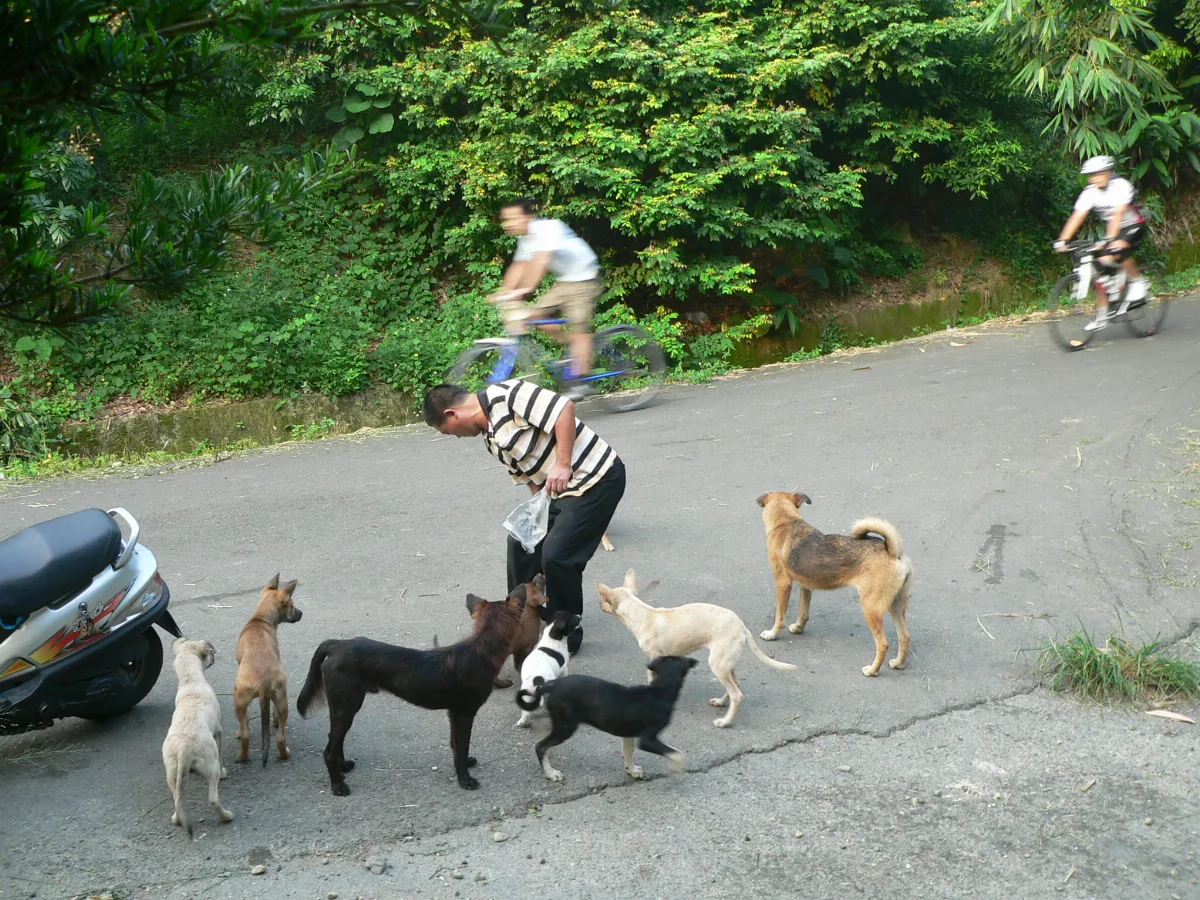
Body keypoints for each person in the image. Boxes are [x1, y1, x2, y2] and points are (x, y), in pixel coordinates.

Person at [421, 379, 625, 654]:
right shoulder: (491, 438)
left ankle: (564, 631)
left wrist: (563, 464)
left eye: (449, 432)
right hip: (558, 492)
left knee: (557, 555)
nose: (455, 437)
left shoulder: (507, 395)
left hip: (597, 478)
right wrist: (538, 519)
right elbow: (531, 475)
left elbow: (564, 409)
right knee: (520, 544)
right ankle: (519, 620)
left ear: (452, 414)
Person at [491, 198, 604, 399]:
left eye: (513, 219)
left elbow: (541, 261)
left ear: (529, 217)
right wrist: (504, 291)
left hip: (585, 279)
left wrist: (524, 289)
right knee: (535, 317)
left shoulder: (548, 229)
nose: (508, 224)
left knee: (579, 327)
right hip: (565, 282)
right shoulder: (525, 239)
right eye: (506, 220)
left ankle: (581, 381)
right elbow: (518, 267)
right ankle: (578, 348)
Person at [1055, 155, 1149, 332]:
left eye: (1098, 174)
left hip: (1133, 225)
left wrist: (1109, 239)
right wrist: (1063, 240)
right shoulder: (1089, 192)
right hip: (1113, 229)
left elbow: (1118, 215)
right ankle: (1102, 315)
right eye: (1091, 175)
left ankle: (1138, 282)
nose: (1094, 178)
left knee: (1117, 247)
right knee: (1099, 268)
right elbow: (1077, 216)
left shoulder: (1121, 186)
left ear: (1108, 173)